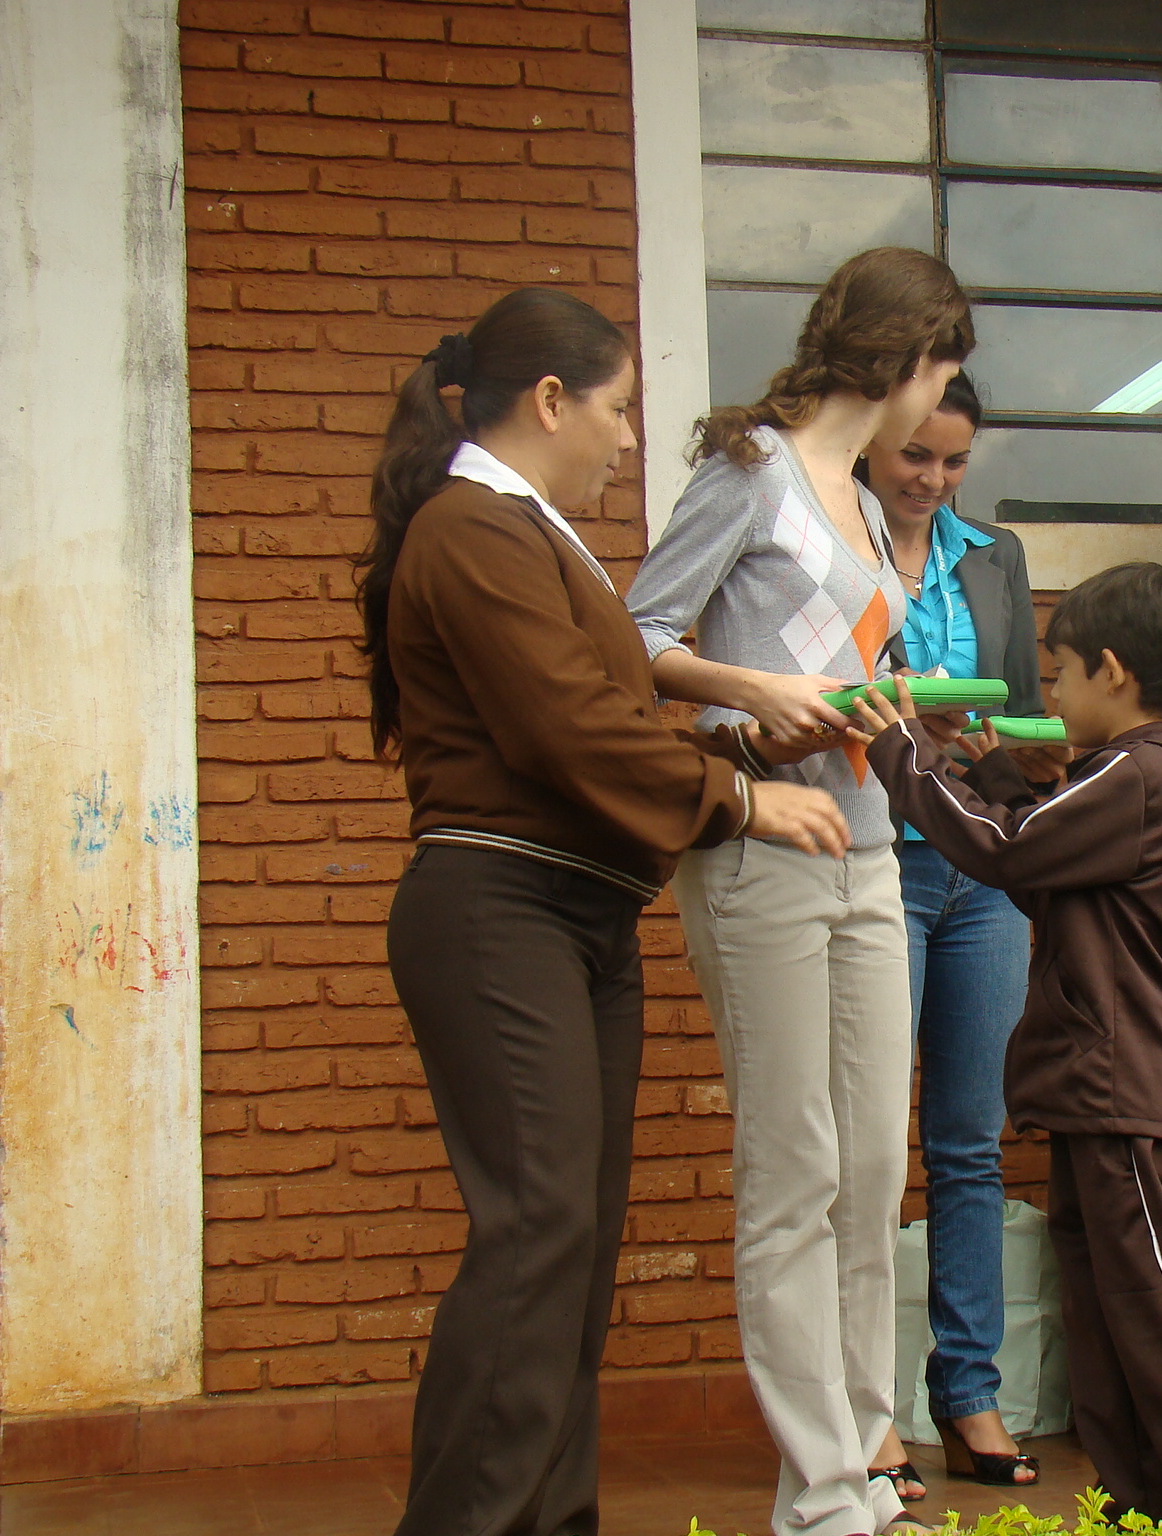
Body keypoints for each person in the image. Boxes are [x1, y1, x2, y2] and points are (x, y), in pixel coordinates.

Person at [358, 288, 849, 1536]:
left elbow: (604, 716)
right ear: (550, 402)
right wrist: (735, 797)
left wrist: (749, 729)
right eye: (620, 410)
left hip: (576, 916)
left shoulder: (526, 533)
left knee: (568, 1253)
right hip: (498, 908)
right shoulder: (472, 529)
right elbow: (562, 725)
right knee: (535, 1235)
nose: (630, 439)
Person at [623, 246, 974, 1536]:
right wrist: (754, 694)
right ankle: (819, 1489)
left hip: (869, 850)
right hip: (757, 853)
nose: (938, 402)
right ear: (902, 353)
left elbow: (842, 666)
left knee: (871, 1166)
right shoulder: (749, 468)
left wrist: (893, 714)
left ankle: (863, 1455)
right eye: (940, 368)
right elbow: (638, 635)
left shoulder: (872, 499)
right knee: (792, 1166)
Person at [846, 562, 1162, 1519]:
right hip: (1103, 1090)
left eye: (1057, 675)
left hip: (1123, 1086)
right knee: (1107, 1320)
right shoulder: (1131, 776)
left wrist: (898, 749)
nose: (1047, 695)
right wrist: (983, 763)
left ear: (1114, 674)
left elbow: (1003, 849)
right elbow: (1042, 855)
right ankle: (1145, 1504)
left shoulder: (1139, 775)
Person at [859, 371, 1043, 1495]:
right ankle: (859, 1409)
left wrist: (997, 745)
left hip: (983, 870)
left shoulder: (995, 555)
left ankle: (967, 1393)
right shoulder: (833, 542)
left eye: (953, 460)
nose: (931, 479)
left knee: (969, 1144)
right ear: (873, 444)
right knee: (868, 1150)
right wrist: (898, 703)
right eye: (913, 456)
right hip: (871, 857)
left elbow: (1029, 706)